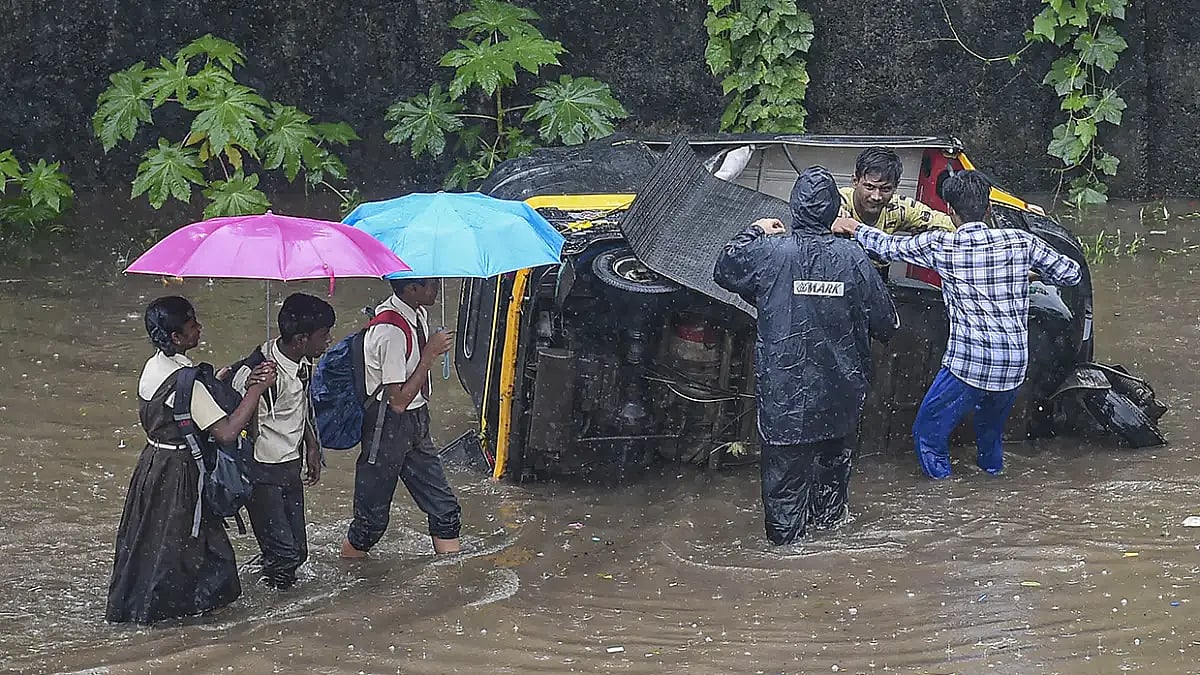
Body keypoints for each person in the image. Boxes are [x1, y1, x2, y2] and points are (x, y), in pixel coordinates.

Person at [832, 170, 1082, 478]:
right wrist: (1030, 274)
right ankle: (992, 478)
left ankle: (946, 497)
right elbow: (1071, 273)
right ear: (988, 209)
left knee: (927, 435)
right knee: (989, 438)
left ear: (950, 211)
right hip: (1013, 365)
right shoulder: (1021, 242)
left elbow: (887, 247)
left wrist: (853, 226)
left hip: (969, 366)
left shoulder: (944, 246)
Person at [714, 166, 900, 546]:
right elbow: (887, 324)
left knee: (784, 494)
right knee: (832, 500)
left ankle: (787, 569)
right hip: (840, 396)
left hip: (786, 397)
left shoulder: (769, 253)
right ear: (835, 209)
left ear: (794, 209)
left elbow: (725, 270)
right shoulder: (854, 259)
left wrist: (754, 231)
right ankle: (828, 564)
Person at [107, 296, 276, 624]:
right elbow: (226, 433)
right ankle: (183, 615)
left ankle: (140, 604)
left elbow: (182, 412)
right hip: (182, 474)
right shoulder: (186, 382)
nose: (199, 328)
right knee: (189, 544)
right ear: (176, 338)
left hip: (154, 464)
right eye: (192, 325)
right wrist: (256, 390)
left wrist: (219, 380)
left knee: (151, 540)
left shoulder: (155, 366)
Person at [341, 278, 461, 559]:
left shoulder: (418, 313)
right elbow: (397, 401)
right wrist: (430, 353)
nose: (437, 289)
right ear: (411, 289)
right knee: (370, 525)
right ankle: (347, 572)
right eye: (431, 284)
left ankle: (453, 582)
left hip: (417, 421)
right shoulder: (390, 331)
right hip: (387, 426)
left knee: (445, 510)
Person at [229, 293, 334, 590]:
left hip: (289, 467)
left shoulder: (301, 363)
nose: (328, 341)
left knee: (297, 551)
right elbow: (234, 424)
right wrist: (254, 387)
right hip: (262, 474)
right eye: (323, 335)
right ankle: (273, 613)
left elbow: (300, 404)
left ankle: (269, 579)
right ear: (301, 339)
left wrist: (312, 445)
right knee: (284, 555)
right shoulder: (258, 372)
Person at [839, 146, 955, 234]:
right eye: (869, 187)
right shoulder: (835, 201)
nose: (876, 196)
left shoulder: (899, 208)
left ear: (896, 186)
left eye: (886, 189)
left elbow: (947, 223)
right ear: (855, 181)